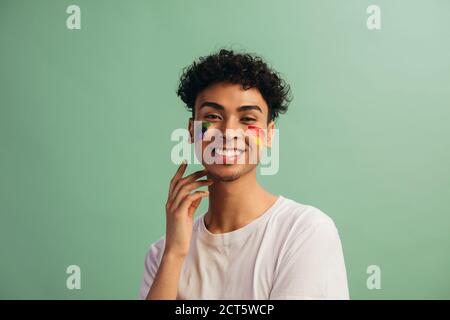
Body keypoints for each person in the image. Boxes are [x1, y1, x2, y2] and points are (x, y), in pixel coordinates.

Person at [139, 49, 349, 299]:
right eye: (213, 116)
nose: (228, 132)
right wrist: (174, 255)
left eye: (247, 118)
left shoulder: (305, 232)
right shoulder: (163, 252)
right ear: (192, 129)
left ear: (269, 134)